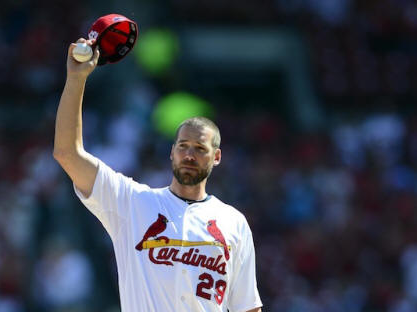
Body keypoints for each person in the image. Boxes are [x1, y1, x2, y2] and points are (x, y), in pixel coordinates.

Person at [53, 38, 263, 312]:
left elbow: (248, 307)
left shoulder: (234, 223)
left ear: (217, 157)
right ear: (171, 152)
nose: (190, 155)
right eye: (183, 147)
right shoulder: (132, 203)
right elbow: (67, 153)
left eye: (200, 148)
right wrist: (76, 79)